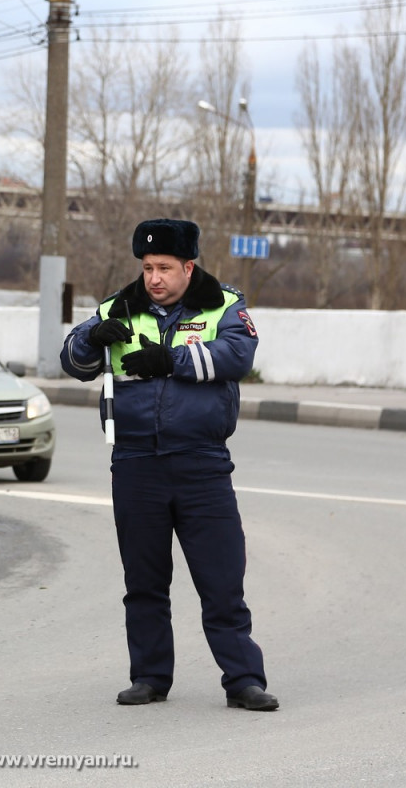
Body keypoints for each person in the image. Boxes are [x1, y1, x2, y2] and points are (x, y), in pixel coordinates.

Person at [59, 218, 278, 712]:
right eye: (147, 267)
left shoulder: (223, 304)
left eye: (163, 268)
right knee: (144, 582)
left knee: (222, 582)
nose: (153, 278)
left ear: (188, 266)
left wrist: (171, 360)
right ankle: (150, 677)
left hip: (202, 463)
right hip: (135, 462)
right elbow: (73, 362)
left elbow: (237, 354)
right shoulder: (118, 307)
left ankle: (244, 679)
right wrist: (94, 336)